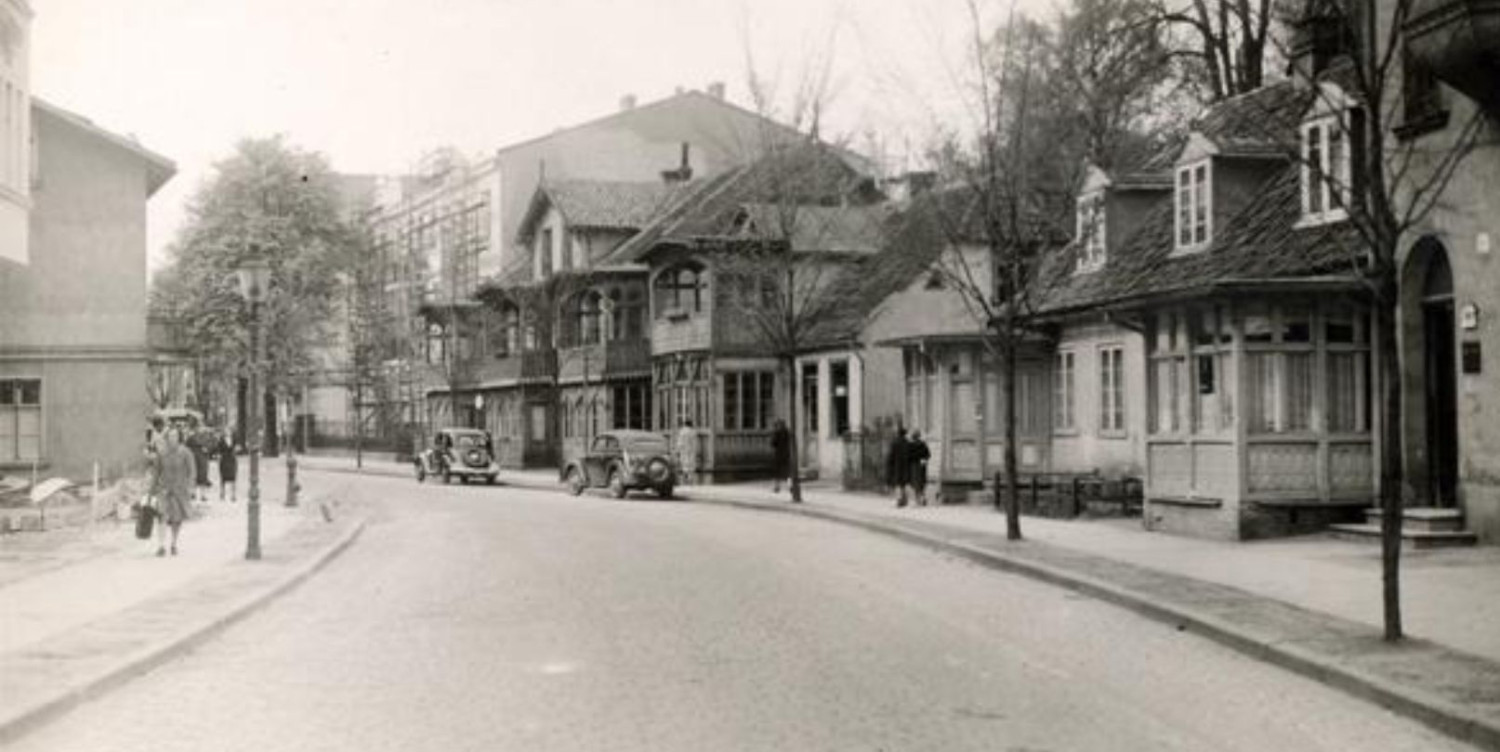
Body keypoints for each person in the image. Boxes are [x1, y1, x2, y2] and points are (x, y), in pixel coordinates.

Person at [156, 427, 196, 557]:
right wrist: (152, 489)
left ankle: (173, 543)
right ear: (167, 438)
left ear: (179, 438)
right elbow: (156, 472)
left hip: (180, 490)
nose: (172, 439)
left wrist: (190, 487)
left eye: (175, 436)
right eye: (170, 436)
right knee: (162, 517)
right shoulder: (162, 453)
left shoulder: (186, 452)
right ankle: (161, 546)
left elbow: (192, 471)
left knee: (176, 519)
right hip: (164, 489)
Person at [885, 427, 911, 507]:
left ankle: (900, 499)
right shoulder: (907, 443)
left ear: (898, 434)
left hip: (897, 466)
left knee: (898, 483)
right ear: (904, 434)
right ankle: (905, 499)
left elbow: (891, 455)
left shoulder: (894, 442)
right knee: (904, 483)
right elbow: (910, 454)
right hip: (906, 465)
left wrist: (889, 463)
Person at [187, 422, 211, 502]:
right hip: (194, 457)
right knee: (194, 474)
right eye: (198, 428)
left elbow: (212, 445)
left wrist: (207, 449)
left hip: (203, 458)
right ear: (195, 429)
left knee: (203, 476)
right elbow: (187, 446)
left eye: (201, 427)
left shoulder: (207, 437)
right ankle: (193, 493)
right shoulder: (191, 437)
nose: (199, 429)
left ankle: (203, 495)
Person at [908, 429, 931, 506]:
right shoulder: (923, 444)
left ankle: (918, 499)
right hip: (922, 465)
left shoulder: (911, 445)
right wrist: (924, 459)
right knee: (921, 482)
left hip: (914, 465)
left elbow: (908, 456)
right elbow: (928, 455)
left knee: (915, 482)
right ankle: (923, 497)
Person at [770, 419, 793, 496]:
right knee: (787, 471)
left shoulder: (777, 433)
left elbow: (773, 443)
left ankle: (777, 487)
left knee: (777, 472)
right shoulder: (787, 432)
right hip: (786, 454)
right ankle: (790, 486)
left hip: (778, 454)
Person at [215, 430, 238, 502]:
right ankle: (222, 493)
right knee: (223, 477)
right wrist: (218, 456)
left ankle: (233, 495)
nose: (228, 433)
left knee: (233, 477)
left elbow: (236, 447)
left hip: (231, 459)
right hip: (224, 459)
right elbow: (218, 450)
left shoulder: (234, 439)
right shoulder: (221, 441)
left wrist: (236, 450)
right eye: (226, 432)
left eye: (229, 432)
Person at [675, 420, 700, 485]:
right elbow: (695, 442)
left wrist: (678, 449)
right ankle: (690, 476)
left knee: (684, 461)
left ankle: (685, 474)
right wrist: (696, 449)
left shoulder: (682, 431)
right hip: (691, 448)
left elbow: (679, 441)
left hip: (684, 448)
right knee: (691, 462)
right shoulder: (693, 432)